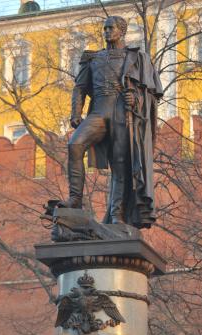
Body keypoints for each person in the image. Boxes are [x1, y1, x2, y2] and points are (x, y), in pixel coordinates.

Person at [60, 15, 163, 228]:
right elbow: (80, 87)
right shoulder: (93, 58)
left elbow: (151, 93)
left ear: (122, 31)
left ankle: (117, 214)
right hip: (98, 111)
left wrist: (136, 98)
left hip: (121, 114)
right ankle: (75, 199)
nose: (106, 32)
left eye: (111, 28)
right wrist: (75, 112)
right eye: (105, 28)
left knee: (120, 164)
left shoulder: (136, 58)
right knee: (75, 144)